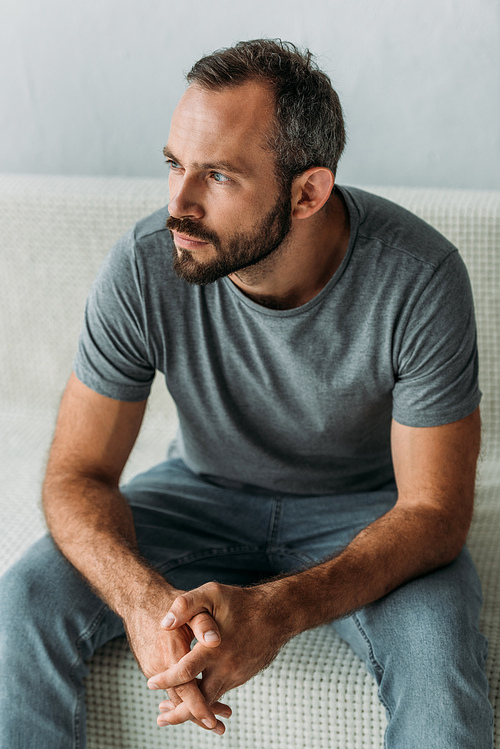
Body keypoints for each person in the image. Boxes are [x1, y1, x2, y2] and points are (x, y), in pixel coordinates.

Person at [0, 38, 494, 748]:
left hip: (368, 512)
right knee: (27, 596)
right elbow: (77, 475)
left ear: (308, 192)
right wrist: (143, 605)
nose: (179, 204)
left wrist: (279, 609)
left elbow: (436, 512)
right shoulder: (144, 266)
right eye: (174, 164)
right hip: (202, 490)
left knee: (439, 665)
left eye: (218, 176)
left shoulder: (418, 277)